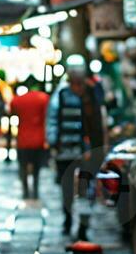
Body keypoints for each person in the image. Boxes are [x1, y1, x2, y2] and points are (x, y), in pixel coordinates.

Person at [46, 58, 107, 239]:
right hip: (64, 152)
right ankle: (67, 220)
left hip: (86, 152)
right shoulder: (61, 94)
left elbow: (97, 122)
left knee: (86, 190)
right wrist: (53, 144)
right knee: (66, 189)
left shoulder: (91, 93)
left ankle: (83, 226)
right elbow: (52, 121)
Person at [11, 77, 50, 200]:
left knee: (23, 167)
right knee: (36, 168)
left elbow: (12, 112)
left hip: (22, 140)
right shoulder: (44, 99)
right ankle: (36, 191)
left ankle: (25, 192)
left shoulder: (18, 100)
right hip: (39, 140)